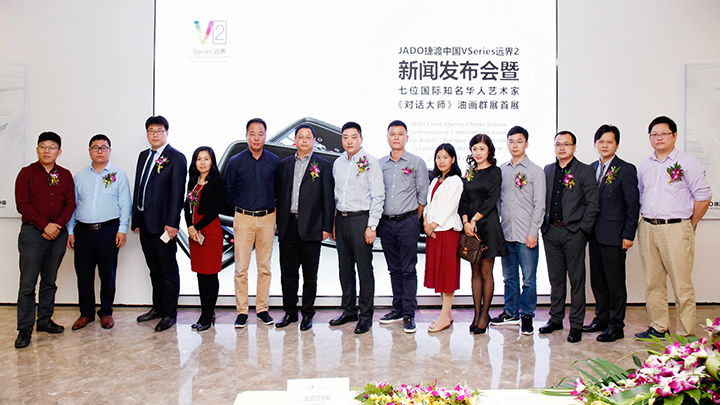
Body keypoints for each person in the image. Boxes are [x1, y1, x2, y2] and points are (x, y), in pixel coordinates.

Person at [635, 116, 711, 339]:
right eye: (654, 135)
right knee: (653, 283)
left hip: (676, 228)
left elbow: (704, 197)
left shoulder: (688, 162)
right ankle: (659, 327)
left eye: (664, 134)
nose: (659, 138)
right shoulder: (645, 164)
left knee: (682, 284)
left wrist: (691, 223)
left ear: (674, 136)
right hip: (648, 227)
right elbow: (641, 194)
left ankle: (686, 334)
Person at [14, 132, 76, 349]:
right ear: (37, 150)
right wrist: (44, 225)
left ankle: (44, 320)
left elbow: (70, 204)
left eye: (52, 147)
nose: (47, 151)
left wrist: (56, 225)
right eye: (43, 146)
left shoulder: (65, 175)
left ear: (59, 151)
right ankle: (24, 328)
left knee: (49, 281)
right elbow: (22, 204)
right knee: (27, 284)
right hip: (32, 234)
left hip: (57, 234)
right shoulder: (26, 173)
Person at [67, 134, 132, 331]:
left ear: (109, 151)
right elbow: (72, 205)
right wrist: (70, 231)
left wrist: (122, 230)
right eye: (95, 147)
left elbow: (125, 204)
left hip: (108, 230)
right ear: (90, 151)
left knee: (107, 273)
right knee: (84, 274)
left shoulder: (119, 174)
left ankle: (106, 312)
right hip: (83, 232)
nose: (99, 151)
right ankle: (86, 313)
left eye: (103, 147)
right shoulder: (79, 176)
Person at [539, 131, 599, 343]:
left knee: (576, 280)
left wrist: (583, 230)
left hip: (573, 232)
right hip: (551, 232)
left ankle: (576, 324)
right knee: (556, 280)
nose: (562, 148)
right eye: (558, 144)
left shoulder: (585, 170)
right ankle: (556, 319)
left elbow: (592, 204)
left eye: (566, 144)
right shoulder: (548, 170)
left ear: (574, 147)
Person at [274, 124, 335, 331]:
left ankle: (308, 313)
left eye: (308, 137)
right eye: (301, 137)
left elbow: (328, 198)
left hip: (312, 226)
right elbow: (279, 194)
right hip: (288, 226)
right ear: (295, 140)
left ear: (314, 141)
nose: (304, 140)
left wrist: (326, 227)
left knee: (310, 275)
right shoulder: (284, 165)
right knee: (288, 273)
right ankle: (290, 312)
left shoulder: (323, 165)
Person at [582, 125, 639, 342]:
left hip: (615, 235)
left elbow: (632, 205)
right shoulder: (591, 168)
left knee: (615, 282)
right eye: (601, 141)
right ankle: (601, 319)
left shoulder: (626, 169)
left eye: (609, 142)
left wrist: (629, 234)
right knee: (598, 281)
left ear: (617, 144)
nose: (605, 145)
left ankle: (616, 326)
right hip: (594, 235)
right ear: (595, 144)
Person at [132, 116, 187, 332]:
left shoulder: (176, 157)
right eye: (151, 131)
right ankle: (158, 307)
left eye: (159, 130)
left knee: (167, 270)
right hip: (145, 222)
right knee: (154, 268)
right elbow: (139, 188)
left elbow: (177, 193)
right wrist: (136, 218)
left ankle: (170, 313)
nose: (155, 134)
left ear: (166, 133)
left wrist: (172, 223)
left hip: (164, 225)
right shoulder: (143, 156)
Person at [329, 122, 384, 335]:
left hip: (362, 220)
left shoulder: (371, 162)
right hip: (341, 220)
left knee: (364, 269)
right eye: (345, 137)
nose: (349, 141)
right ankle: (349, 310)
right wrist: (334, 223)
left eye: (353, 137)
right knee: (345, 268)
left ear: (361, 139)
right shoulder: (338, 163)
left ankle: (366, 315)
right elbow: (335, 196)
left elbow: (378, 196)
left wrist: (372, 225)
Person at [225, 118, 280, 328]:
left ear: (265, 136)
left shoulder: (274, 161)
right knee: (241, 268)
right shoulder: (236, 161)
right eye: (252, 133)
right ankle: (241, 311)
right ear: (246, 135)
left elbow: (278, 189)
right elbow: (228, 191)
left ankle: (262, 309)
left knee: (264, 267)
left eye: (260, 133)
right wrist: (242, 207)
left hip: (267, 218)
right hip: (244, 218)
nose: (256, 137)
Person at [490, 126, 546, 335]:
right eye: (511, 141)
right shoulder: (501, 170)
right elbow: (498, 202)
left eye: (519, 141)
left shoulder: (535, 171)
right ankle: (510, 312)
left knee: (528, 279)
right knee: (509, 277)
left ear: (526, 144)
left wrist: (533, 231)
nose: (515, 145)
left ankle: (527, 315)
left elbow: (540, 205)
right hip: (506, 233)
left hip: (526, 234)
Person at [378, 120, 429, 334]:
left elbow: (422, 195)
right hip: (385, 223)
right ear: (387, 137)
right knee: (394, 269)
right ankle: (397, 308)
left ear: (407, 138)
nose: (396, 137)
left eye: (400, 134)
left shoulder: (417, 162)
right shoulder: (380, 164)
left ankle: (409, 313)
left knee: (408, 269)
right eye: (393, 134)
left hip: (408, 222)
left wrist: (411, 219)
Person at [459, 134, 508, 334]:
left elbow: (491, 199)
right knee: (475, 272)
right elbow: (463, 199)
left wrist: (474, 220)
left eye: (482, 149)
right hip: (470, 228)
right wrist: (465, 222)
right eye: (475, 149)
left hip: (487, 226)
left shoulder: (495, 171)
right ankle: (477, 313)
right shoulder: (470, 172)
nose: (478, 153)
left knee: (486, 272)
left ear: (489, 151)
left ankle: (485, 314)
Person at [184, 146, 227, 331]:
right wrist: (190, 227)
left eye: (206, 159)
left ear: (212, 162)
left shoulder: (217, 182)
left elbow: (214, 210)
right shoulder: (193, 182)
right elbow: (187, 207)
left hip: (209, 232)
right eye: (199, 159)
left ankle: (209, 315)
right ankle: (204, 313)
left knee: (210, 275)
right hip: (195, 234)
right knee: (200, 274)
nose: (202, 162)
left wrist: (196, 227)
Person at [423, 143, 464, 333]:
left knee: (447, 275)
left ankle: (443, 317)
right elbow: (429, 205)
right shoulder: (435, 180)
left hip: (447, 232)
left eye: (445, 157)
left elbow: (450, 207)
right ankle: (447, 314)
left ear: (453, 160)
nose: (441, 161)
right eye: (438, 157)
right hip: (433, 233)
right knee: (439, 274)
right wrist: (426, 223)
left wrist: (432, 225)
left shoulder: (455, 181)